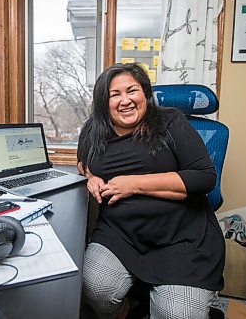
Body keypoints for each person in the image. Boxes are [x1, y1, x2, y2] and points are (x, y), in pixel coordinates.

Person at [78, 63, 225, 319]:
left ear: (145, 94)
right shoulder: (93, 129)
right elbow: (83, 163)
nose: (125, 100)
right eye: (115, 94)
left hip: (182, 237)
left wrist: (132, 184)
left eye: (131, 91)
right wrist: (91, 177)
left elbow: (204, 178)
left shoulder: (171, 121)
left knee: (177, 314)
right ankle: (126, 311)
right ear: (104, 102)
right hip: (120, 234)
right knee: (95, 288)